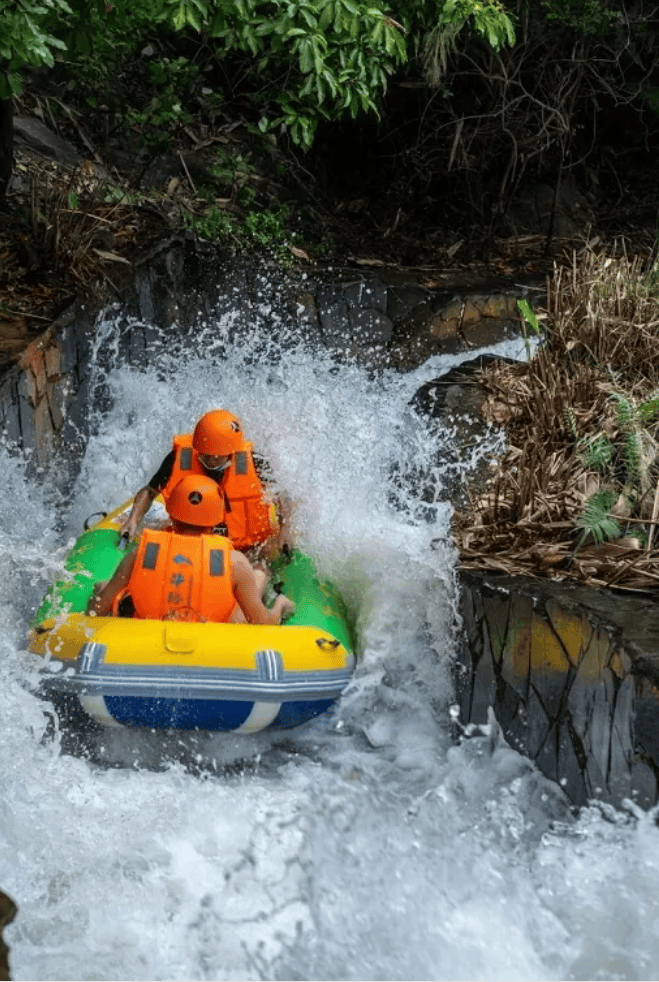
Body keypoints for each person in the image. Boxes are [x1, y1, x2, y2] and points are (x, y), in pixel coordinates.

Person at [89, 475, 296, 625]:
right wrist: (280, 605)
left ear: (171, 515)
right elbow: (263, 622)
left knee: (102, 587)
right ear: (215, 521)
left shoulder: (141, 553)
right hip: (216, 643)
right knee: (258, 576)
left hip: (148, 638)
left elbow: (95, 610)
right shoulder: (235, 561)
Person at [120, 409, 287, 556]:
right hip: (192, 546)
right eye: (204, 453)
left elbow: (282, 497)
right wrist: (133, 520)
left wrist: (284, 532)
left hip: (246, 550)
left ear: (231, 451)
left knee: (260, 569)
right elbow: (149, 492)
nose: (209, 459)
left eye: (216, 455)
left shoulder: (255, 463)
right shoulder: (178, 459)